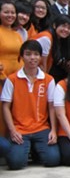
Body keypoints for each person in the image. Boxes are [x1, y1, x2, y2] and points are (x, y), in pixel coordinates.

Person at [1, 40, 60, 170]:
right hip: (20, 129)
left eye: (36, 54)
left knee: (53, 160)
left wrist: (54, 130)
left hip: (41, 128)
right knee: (16, 163)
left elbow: (51, 106)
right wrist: (12, 130)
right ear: (21, 56)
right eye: (28, 54)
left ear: (40, 56)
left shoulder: (48, 79)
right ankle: (29, 148)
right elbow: (5, 106)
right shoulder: (12, 79)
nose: (32, 58)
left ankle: (35, 149)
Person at [34, 14, 70, 82]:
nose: (66, 30)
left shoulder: (57, 39)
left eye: (69, 28)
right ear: (54, 25)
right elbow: (42, 64)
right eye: (63, 26)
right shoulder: (46, 38)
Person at [0, 1, 23, 81]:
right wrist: (2, 78)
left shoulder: (17, 34)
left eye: (13, 13)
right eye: (6, 12)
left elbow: (20, 58)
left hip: (15, 79)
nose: (10, 15)